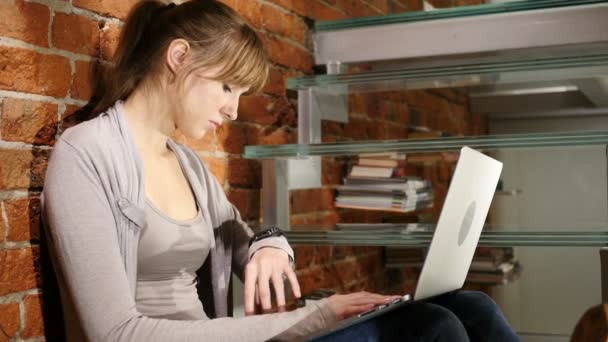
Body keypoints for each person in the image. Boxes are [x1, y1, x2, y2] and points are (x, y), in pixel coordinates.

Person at [41, 0, 519, 341]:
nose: (232, 110)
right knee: (434, 328)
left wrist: (271, 246)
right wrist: (310, 318)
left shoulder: (187, 165)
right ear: (178, 57)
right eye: (228, 86)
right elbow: (115, 332)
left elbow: (253, 236)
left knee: (471, 306)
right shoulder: (86, 155)